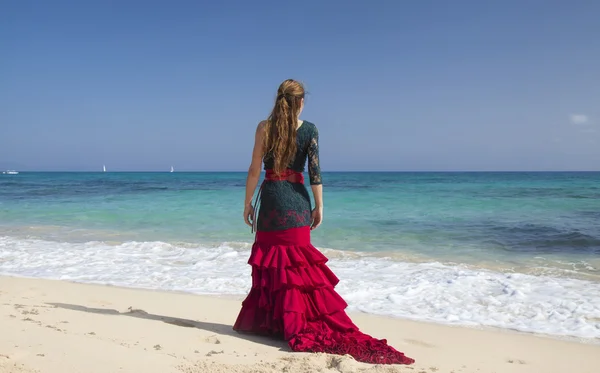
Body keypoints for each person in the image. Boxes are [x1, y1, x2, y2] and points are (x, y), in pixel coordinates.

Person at [233, 79, 414, 365]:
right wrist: (319, 206)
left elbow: (254, 168)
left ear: (278, 99)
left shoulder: (263, 127)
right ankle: (296, 322)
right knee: (298, 267)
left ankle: (275, 324)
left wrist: (246, 204)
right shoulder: (310, 130)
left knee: (273, 263)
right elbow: (315, 172)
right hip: (296, 203)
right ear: (301, 101)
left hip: (270, 202)